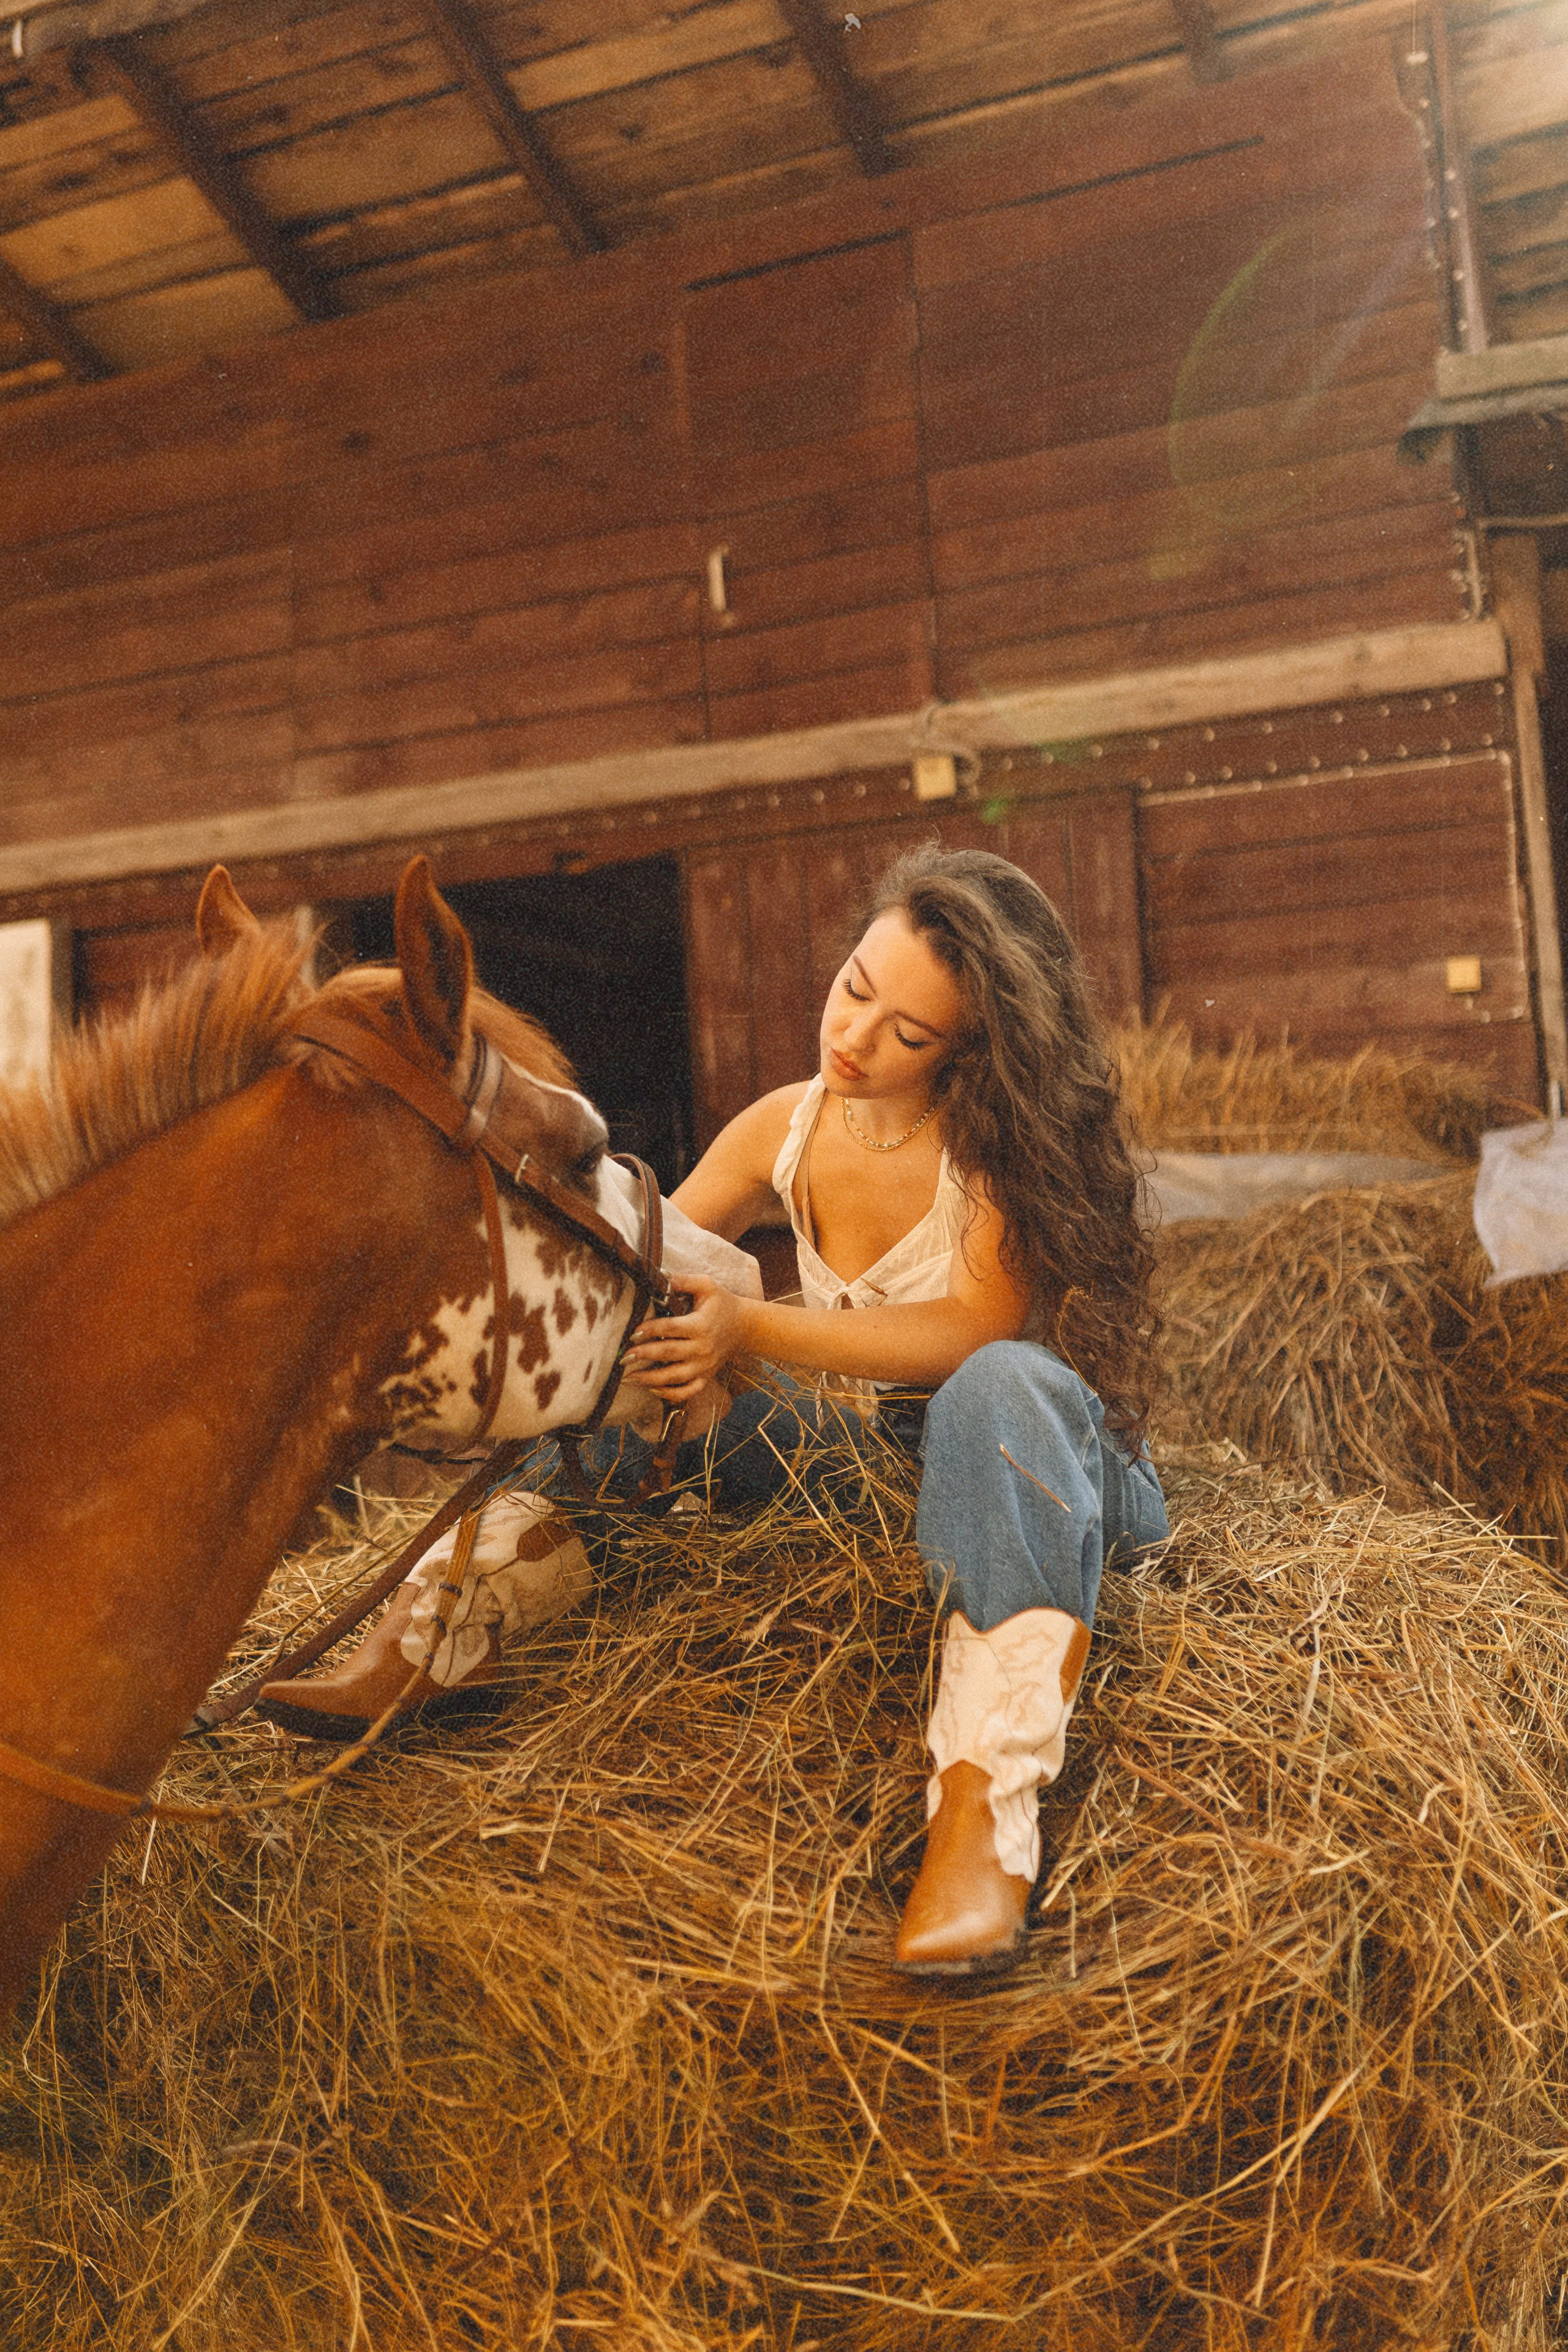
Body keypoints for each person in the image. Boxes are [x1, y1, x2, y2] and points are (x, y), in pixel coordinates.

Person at [260, 845, 1167, 1978]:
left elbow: (969, 1333)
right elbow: (659, 1267)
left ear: (970, 1052)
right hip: (885, 1470)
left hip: (1042, 1469)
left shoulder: (992, 1151)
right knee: (649, 1360)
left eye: (908, 1035)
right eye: (854, 990)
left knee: (1000, 1385)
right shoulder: (785, 1126)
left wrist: (754, 1328)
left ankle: (985, 1815)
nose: (855, 1037)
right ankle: (448, 1620)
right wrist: (670, 1345)